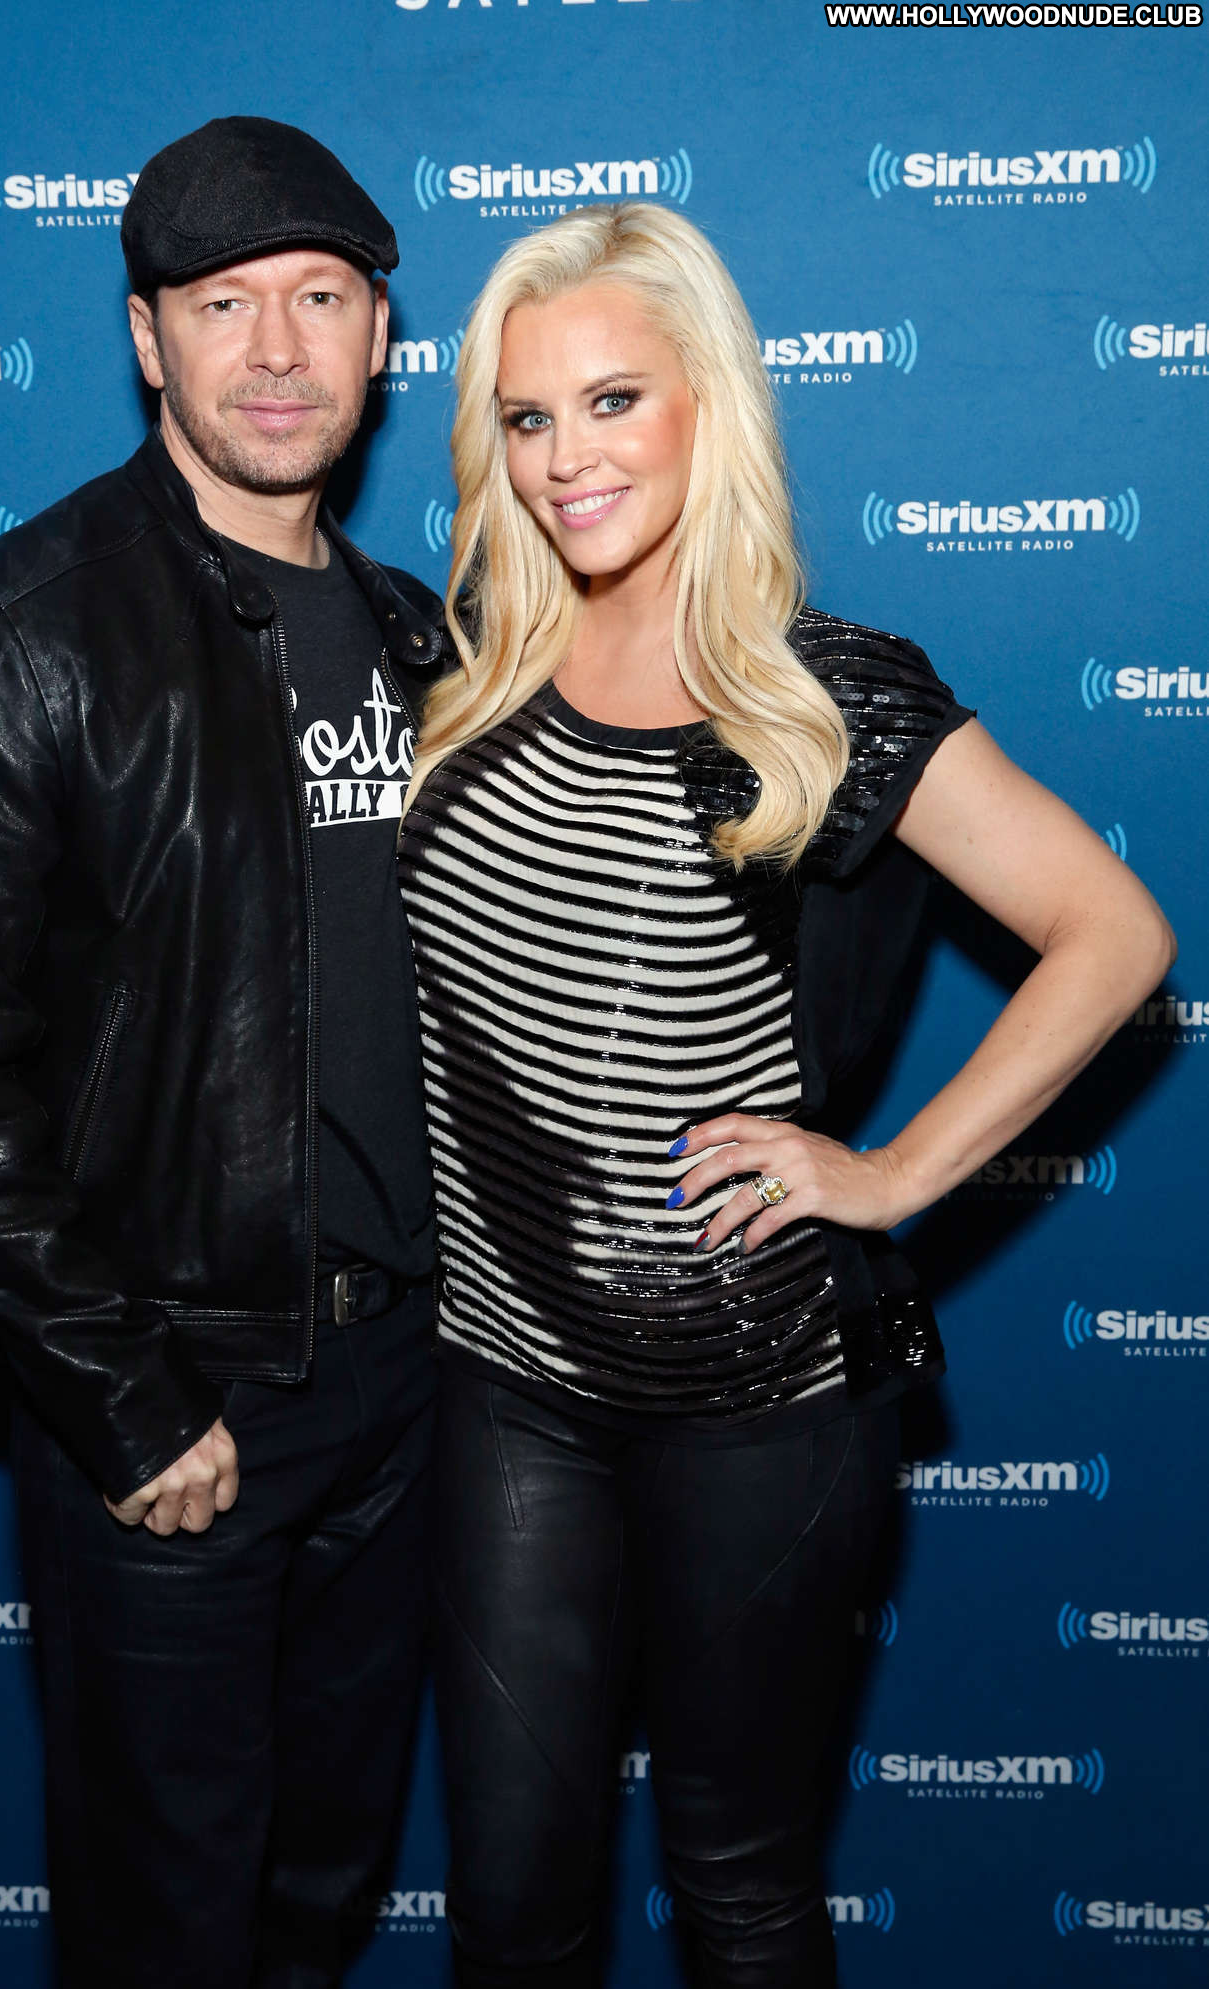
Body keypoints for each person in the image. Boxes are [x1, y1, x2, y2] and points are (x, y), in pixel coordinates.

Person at [395, 202, 1174, 1988]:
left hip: (756, 1399)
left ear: (708, 403)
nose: (567, 458)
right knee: (511, 1902)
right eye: (527, 418)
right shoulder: (468, 668)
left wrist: (890, 1172)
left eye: (611, 401)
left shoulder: (826, 696)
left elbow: (1114, 933)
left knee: (740, 1884)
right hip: (507, 1384)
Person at [0, 117, 445, 1989]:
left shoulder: (431, 640)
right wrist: (123, 1394)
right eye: (221, 303)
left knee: (325, 1885)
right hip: (184, 1398)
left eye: (319, 299)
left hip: (411, 1385)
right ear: (145, 337)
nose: (274, 349)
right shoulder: (18, 632)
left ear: (380, 338)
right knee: (164, 1924)